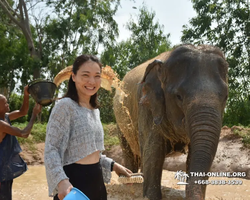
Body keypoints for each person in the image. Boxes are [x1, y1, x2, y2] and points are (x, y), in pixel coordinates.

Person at [44, 54, 132, 200]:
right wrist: (61, 181)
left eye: (97, 76)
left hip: (97, 184)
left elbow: (92, 152)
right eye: (85, 75)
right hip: (73, 186)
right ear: (73, 76)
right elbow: (51, 149)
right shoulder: (65, 107)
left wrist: (113, 165)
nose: (92, 81)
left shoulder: (95, 110)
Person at [0, 86, 42, 200]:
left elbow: (22, 112)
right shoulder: (1, 124)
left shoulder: (5, 117)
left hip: (4, 170)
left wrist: (26, 94)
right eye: (5, 103)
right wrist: (34, 115)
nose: (7, 104)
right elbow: (24, 133)